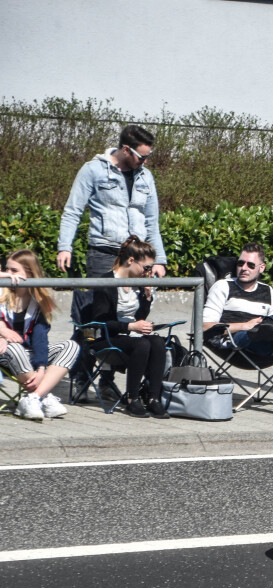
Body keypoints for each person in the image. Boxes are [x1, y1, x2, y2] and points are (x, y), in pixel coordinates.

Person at [202, 242, 273, 421]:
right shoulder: (223, 286)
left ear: (261, 268)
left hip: (266, 343)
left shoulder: (268, 291)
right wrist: (244, 325)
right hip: (238, 341)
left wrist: (267, 324)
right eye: (240, 263)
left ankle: (270, 321)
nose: (243, 268)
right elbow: (206, 327)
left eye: (250, 265)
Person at [57, 124, 168, 279]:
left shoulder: (146, 177)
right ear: (126, 150)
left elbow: (151, 221)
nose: (145, 162)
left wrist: (159, 260)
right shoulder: (93, 170)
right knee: (102, 302)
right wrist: (64, 247)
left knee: (136, 303)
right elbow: (72, 212)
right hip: (103, 254)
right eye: (141, 157)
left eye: (148, 157)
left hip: (138, 258)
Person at [82, 237, 172, 418]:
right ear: (131, 261)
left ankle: (154, 398)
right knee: (143, 345)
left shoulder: (137, 284)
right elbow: (100, 322)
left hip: (129, 337)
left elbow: (140, 317)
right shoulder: (107, 282)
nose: (148, 273)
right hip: (106, 338)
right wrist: (131, 326)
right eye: (146, 268)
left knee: (156, 341)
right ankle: (133, 399)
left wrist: (147, 296)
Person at [1, 250, 80, 421]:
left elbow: (40, 338)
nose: (9, 274)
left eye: (14, 271)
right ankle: (44, 398)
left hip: (27, 354)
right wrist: (2, 332)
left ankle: (34, 397)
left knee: (71, 346)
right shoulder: (1, 291)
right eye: (6, 269)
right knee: (14, 347)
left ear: (29, 274)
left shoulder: (39, 301)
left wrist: (42, 367)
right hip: (5, 352)